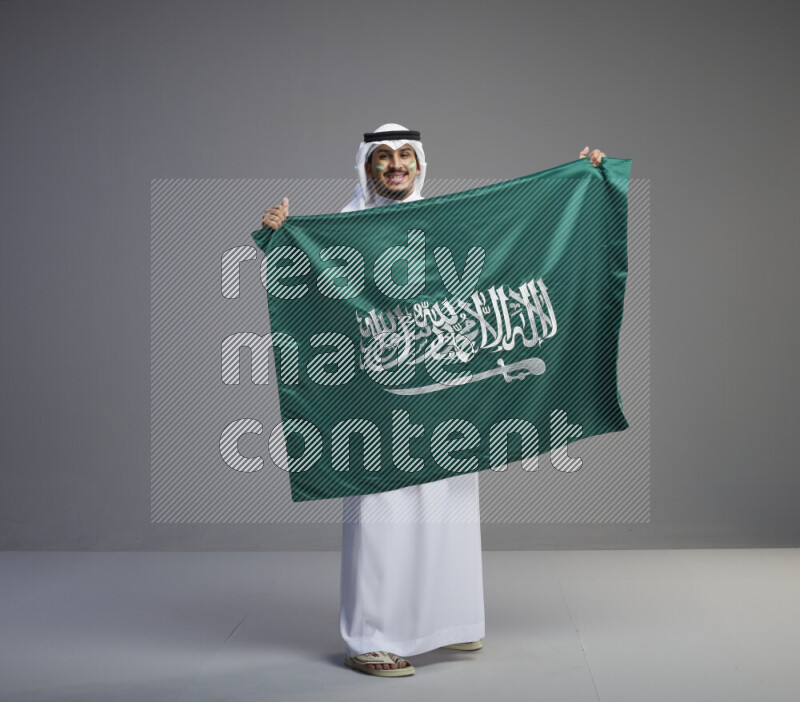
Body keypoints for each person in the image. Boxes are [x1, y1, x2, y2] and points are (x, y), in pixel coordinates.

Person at [260, 125, 606, 677]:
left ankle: (450, 623)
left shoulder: (443, 226)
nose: (396, 165)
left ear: (420, 164)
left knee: (449, 511)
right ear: (366, 167)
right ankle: (369, 638)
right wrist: (276, 237)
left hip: (447, 400)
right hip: (378, 406)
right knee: (381, 518)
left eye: (405, 156)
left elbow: (516, 239)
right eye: (383, 157)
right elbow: (308, 291)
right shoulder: (342, 229)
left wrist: (582, 180)